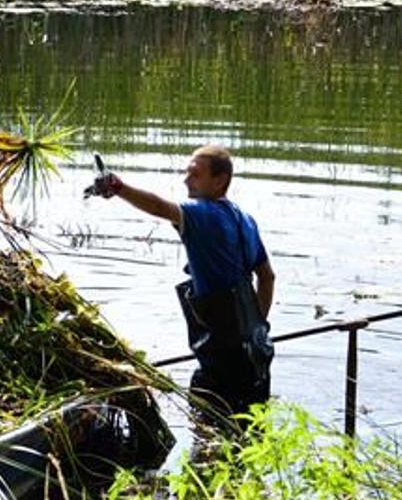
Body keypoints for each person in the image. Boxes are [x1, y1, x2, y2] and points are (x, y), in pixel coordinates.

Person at [92, 145, 275, 429]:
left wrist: (118, 187)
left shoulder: (202, 213)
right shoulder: (246, 220)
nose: (186, 180)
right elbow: (267, 277)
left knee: (209, 429)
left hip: (223, 362)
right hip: (256, 356)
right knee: (252, 435)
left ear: (220, 180)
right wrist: (256, 326)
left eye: (195, 174)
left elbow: (159, 207)